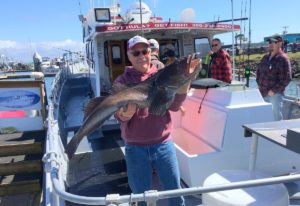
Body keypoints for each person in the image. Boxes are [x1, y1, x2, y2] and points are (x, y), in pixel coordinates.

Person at [114, 35, 199, 206]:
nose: (141, 56)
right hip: (135, 147)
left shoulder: (161, 74)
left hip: (163, 144)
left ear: (150, 52)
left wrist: (186, 81)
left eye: (144, 51)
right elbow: (117, 113)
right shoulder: (121, 81)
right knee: (140, 196)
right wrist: (123, 115)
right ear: (129, 56)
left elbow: (174, 106)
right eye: (135, 53)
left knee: (175, 192)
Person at [256, 35, 292, 121]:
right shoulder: (265, 57)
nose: (271, 44)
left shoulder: (283, 59)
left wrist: (274, 90)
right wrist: (259, 85)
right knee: (264, 117)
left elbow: (287, 78)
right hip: (262, 92)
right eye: (270, 42)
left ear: (280, 44)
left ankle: (278, 133)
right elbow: (258, 72)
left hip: (275, 95)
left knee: (276, 117)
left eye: (274, 42)